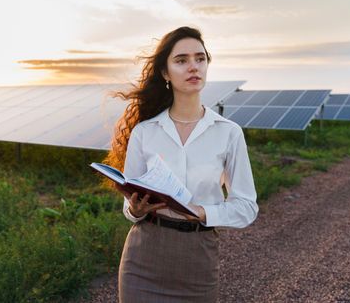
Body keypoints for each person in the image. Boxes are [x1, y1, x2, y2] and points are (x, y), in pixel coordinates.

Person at [105, 26, 258, 302]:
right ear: (165, 73)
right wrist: (135, 209)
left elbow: (246, 208)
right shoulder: (145, 131)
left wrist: (203, 212)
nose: (193, 67)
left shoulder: (228, 132)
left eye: (200, 59)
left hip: (197, 257)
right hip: (144, 255)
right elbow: (129, 205)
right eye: (181, 60)